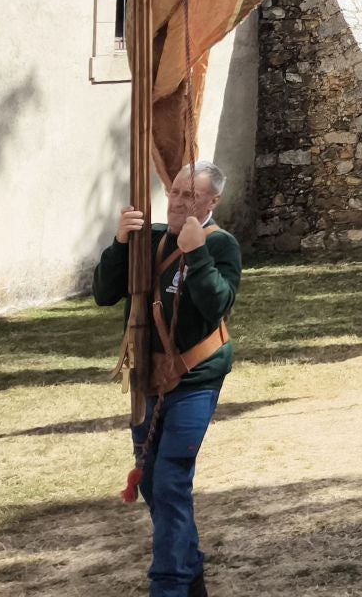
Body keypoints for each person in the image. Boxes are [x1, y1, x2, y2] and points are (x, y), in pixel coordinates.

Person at [94, 161, 240, 597]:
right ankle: (190, 569)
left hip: (195, 378)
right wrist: (121, 243)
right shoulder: (151, 239)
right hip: (147, 378)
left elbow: (216, 306)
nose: (178, 202)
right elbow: (104, 293)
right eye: (175, 193)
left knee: (172, 477)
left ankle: (169, 586)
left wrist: (196, 254)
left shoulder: (221, 245)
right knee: (153, 481)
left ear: (212, 202)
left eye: (190, 196)